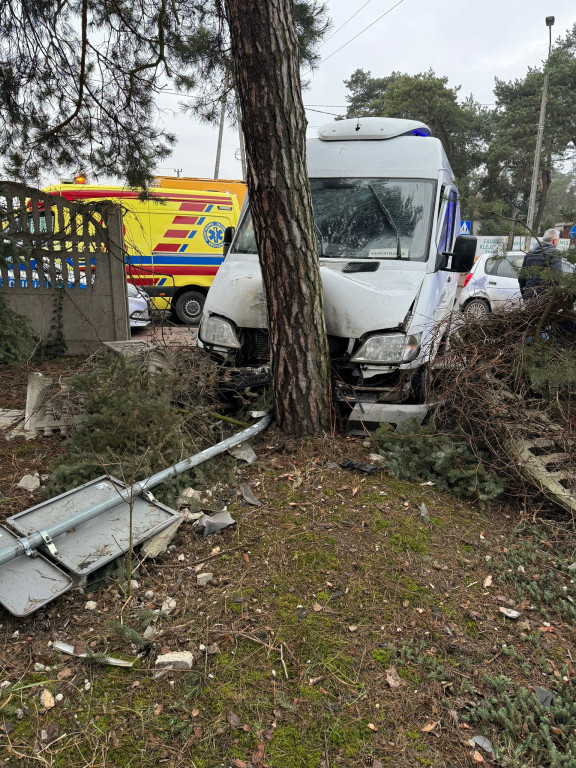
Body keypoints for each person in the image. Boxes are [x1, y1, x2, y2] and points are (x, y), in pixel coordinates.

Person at [518, 228, 563, 301]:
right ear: (554, 241)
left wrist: (525, 294)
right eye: (558, 240)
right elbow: (557, 277)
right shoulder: (554, 253)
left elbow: (521, 278)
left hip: (529, 296)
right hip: (546, 298)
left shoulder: (530, 253)